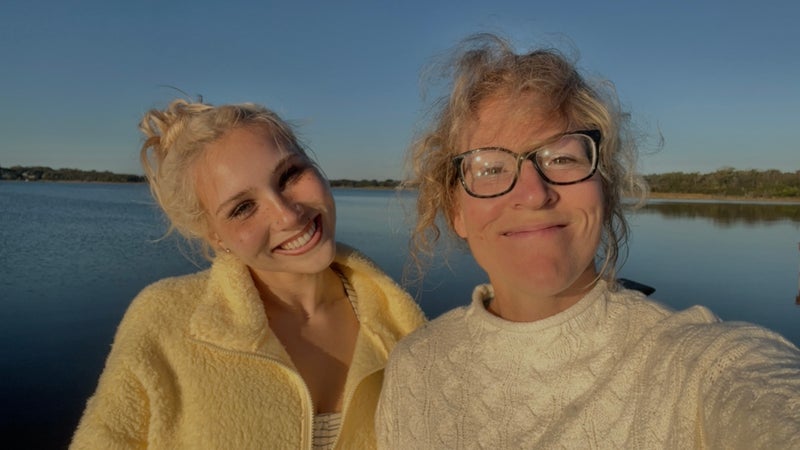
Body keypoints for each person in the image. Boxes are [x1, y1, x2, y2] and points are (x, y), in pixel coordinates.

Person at [376, 33, 800, 448]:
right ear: (456, 211)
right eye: (491, 168)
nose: (533, 194)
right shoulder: (414, 365)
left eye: (562, 158)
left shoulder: (695, 361)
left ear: (605, 190)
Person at [70, 99, 425, 449]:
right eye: (243, 208)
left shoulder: (406, 332)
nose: (287, 215)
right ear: (216, 237)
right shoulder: (162, 321)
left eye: (289, 175)